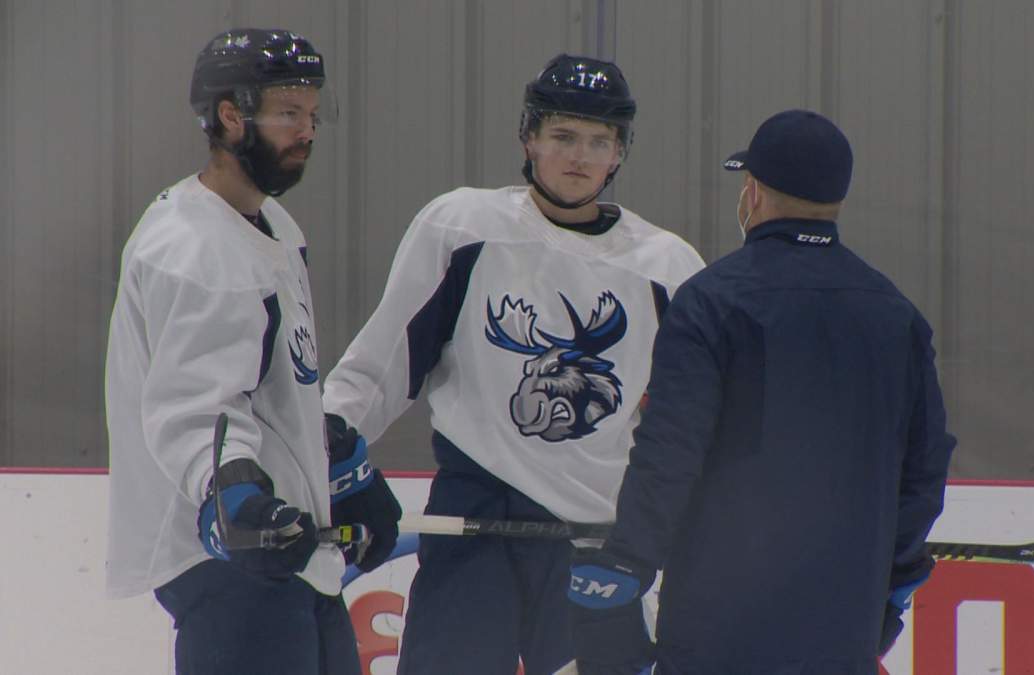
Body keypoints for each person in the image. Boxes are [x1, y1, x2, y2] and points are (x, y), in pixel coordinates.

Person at [321, 54, 705, 674]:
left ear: (619, 154)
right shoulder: (463, 226)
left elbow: (693, 422)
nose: (578, 157)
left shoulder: (667, 267)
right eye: (562, 136)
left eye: (598, 141)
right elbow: (385, 361)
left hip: (598, 545)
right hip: (475, 520)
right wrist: (329, 442)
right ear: (528, 138)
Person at [567, 109, 957, 674]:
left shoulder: (711, 301)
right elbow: (924, 467)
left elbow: (670, 450)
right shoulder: (895, 315)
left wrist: (628, 562)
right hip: (841, 624)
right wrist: (893, 583)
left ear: (753, 192)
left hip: (719, 622)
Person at [105, 28, 400, 675]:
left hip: (290, 559)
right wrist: (234, 498)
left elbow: (273, 386)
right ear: (231, 115)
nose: (307, 130)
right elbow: (192, 410)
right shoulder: (191, 249)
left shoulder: (273, 227)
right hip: (228, 568)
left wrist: (338, 467)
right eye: (288, 113)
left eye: (313, 114)